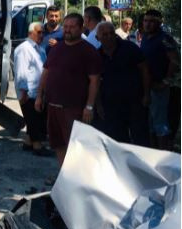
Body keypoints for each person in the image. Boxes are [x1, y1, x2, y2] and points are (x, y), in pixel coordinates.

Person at [35, 12, 102, 166]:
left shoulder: (88, 51)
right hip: (52, 106)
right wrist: (39, 96)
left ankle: (76, 179)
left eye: (72, 27)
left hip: (75, 109)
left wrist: (89, 106)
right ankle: (63, 175)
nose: (67, 30)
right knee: (58, 144)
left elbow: (94, 81)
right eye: (65, 26)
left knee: (76, 147)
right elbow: (46, 73)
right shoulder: (57, 48)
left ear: (81, 28)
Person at [96, 21, 150, 146]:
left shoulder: (130, 48)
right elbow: (96, 81)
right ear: (97, 38)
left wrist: (147, 94)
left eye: (111, 34)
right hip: (111, 105)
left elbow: (145, 70)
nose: (108, 37)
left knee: (140, 137)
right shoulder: (97, 55)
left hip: (135, 101)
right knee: (118, 139)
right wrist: (98, 105)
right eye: (104, 35)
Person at [139, 9, 179, 150]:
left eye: (151, 21)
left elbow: (175, 61)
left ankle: (163, 155)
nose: (148, 24)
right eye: (146, 20)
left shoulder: (165, 38)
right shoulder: (144, 37)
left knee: (160, 123)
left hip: (159, 87)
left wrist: (165, 82)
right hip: (146, 86)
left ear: (159, 23)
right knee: (149, 123)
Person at [13, 21, 50, 156]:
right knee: (33, 119)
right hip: (28, 92)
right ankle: (37, 146)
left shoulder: (40, 48)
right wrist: (23, 92)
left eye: (43, 32)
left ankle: (28, 143)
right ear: (30, 33)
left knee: (35, 118)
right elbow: (21, 71)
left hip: (38, 91)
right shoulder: (24, 49)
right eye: (39, 32)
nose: (42, 35)